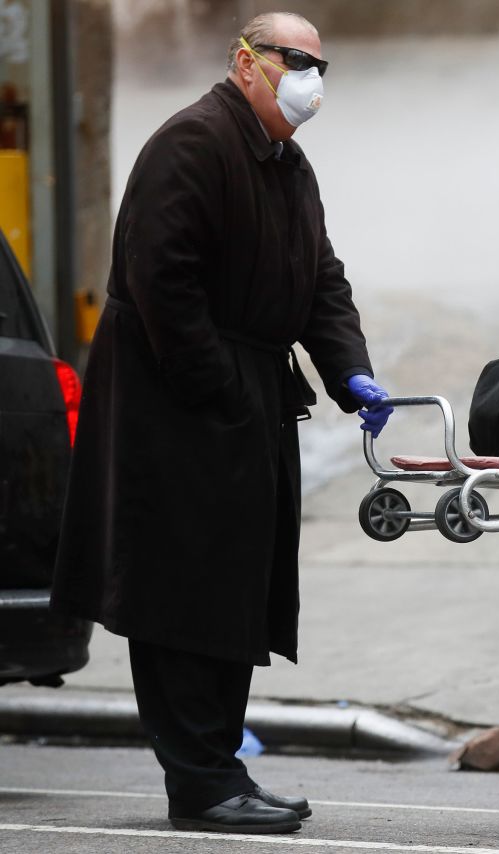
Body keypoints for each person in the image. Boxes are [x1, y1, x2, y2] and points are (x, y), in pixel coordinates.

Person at [51, 12, 393, 835]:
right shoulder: (193, 143)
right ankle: (200, 781)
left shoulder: (286, 164)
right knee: (182, 591)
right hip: (177, 403)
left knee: (235, 588)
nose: (311, 77)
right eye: (295, 60)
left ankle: (217, 770)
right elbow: (160, 281)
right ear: (247, 63)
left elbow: (321, 277)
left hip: (244, 397)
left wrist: (351, 371)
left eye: (321, 64)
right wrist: (221, 387)